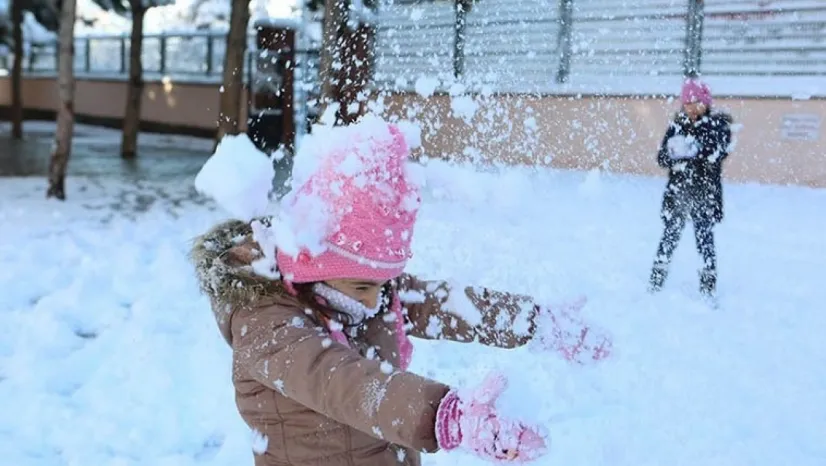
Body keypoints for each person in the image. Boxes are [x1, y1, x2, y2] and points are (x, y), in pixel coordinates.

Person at [190, 116, 613, 466]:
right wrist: (444, 416)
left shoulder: (355, 295)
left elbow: (446, 304)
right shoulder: (266, 324)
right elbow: (347, 383)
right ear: (312, 266)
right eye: (363, 285)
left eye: (383, 284)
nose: (376, 300)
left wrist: (531, 321)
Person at [648, 78, 733, 298]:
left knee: (704, 238)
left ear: (706, 103)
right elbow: (662, 158)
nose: (692, 108)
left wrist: (691, 151)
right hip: (678, 194)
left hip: (704, 194)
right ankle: (656, 279)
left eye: (696, 103)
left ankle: (708, 285)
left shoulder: (717, 126)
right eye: (687, 103)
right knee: (669, 236)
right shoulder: (677, 126)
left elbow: (716, 153)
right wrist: (674, 154)